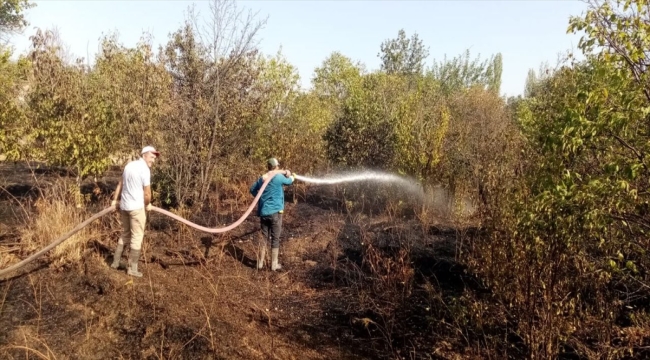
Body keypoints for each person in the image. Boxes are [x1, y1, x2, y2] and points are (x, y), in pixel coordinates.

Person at [109, 145, 160, 277]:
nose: (153, 160)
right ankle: (132, 269)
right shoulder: (145, 170)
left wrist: (115, 200)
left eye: (154, 158)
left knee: (125, 234)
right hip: (136, 208)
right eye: (151, 156)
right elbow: (147, 193)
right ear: (144, 155)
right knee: (137, 237)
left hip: (124, 207)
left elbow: (120, 184)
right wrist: (147, 204)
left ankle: (115, 262)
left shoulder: (129, 166)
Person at [250, 157, 295, 271]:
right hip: (275, 212)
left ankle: (259, 264)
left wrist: (260, 198)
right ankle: (274, 266)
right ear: (276, 167)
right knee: (275, 238)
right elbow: (289, 181)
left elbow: (252, 189)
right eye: (278, 166)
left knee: (264, 238)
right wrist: (292, 175)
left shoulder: (262, 178)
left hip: (264, 213)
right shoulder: (278, 177)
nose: (279, 167)